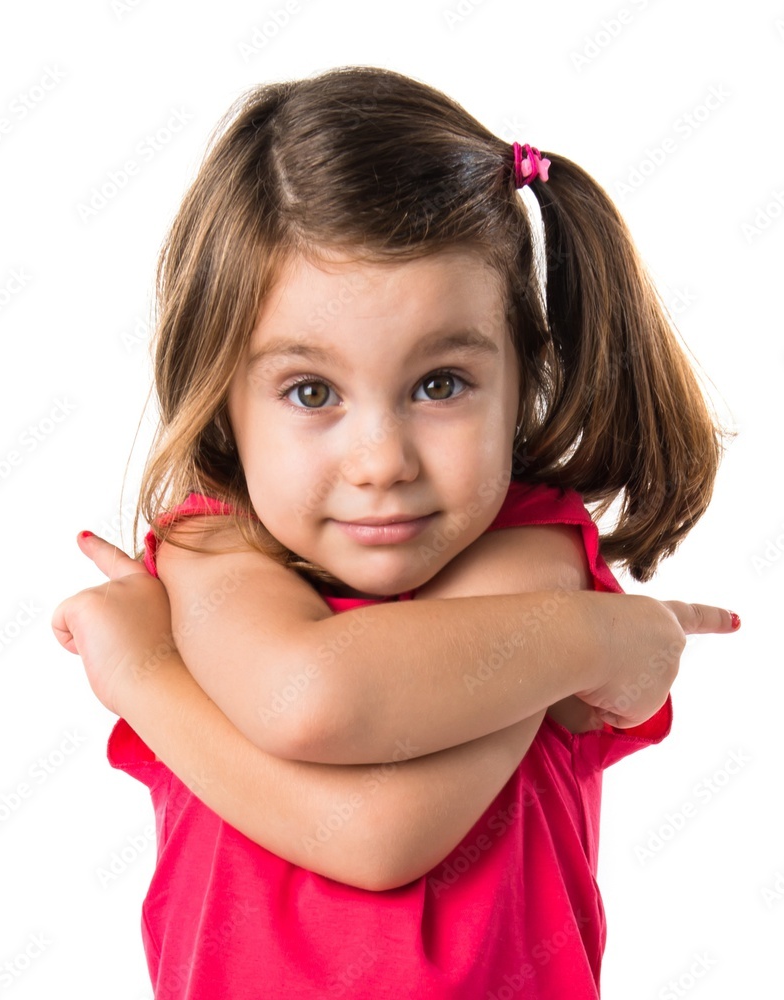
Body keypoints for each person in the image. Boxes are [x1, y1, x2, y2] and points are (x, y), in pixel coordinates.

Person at [52, 66, 739, 998]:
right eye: (311, 393)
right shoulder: (212, 552)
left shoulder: (532, 559)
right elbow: (308, 697)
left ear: (522, 377)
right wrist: (608, 640)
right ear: (225, 397)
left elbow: (378, 830)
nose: (381, 461)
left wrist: (143, 676)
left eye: (440, 384)